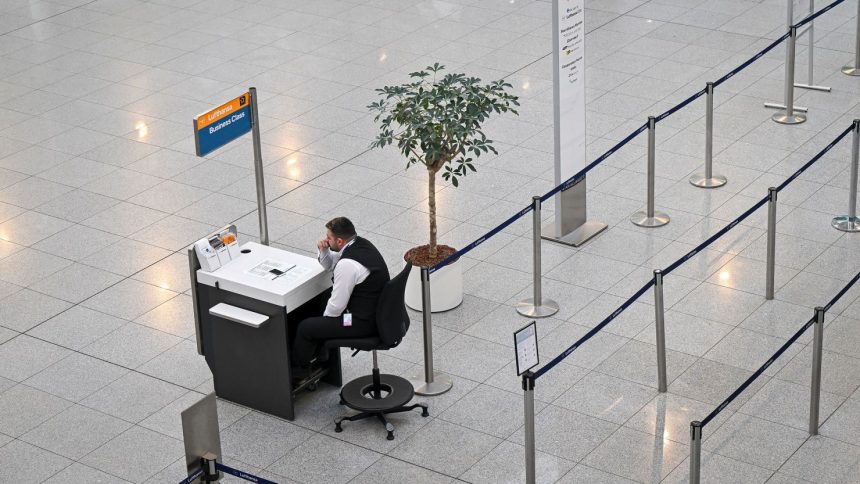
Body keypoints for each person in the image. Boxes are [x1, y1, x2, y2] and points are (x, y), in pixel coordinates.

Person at [292, 217, 390, 375]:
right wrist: (324, 251)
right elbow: (331, 265)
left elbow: (337, 308)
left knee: (306, 328)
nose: (326, 240)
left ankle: (299, 373)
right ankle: (321, 353)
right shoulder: (359, 244)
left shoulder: (347, 265)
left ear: (339, 241)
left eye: (328, 238)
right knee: (324, 300)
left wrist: (321, 326)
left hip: (360, 322)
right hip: (374, 312)